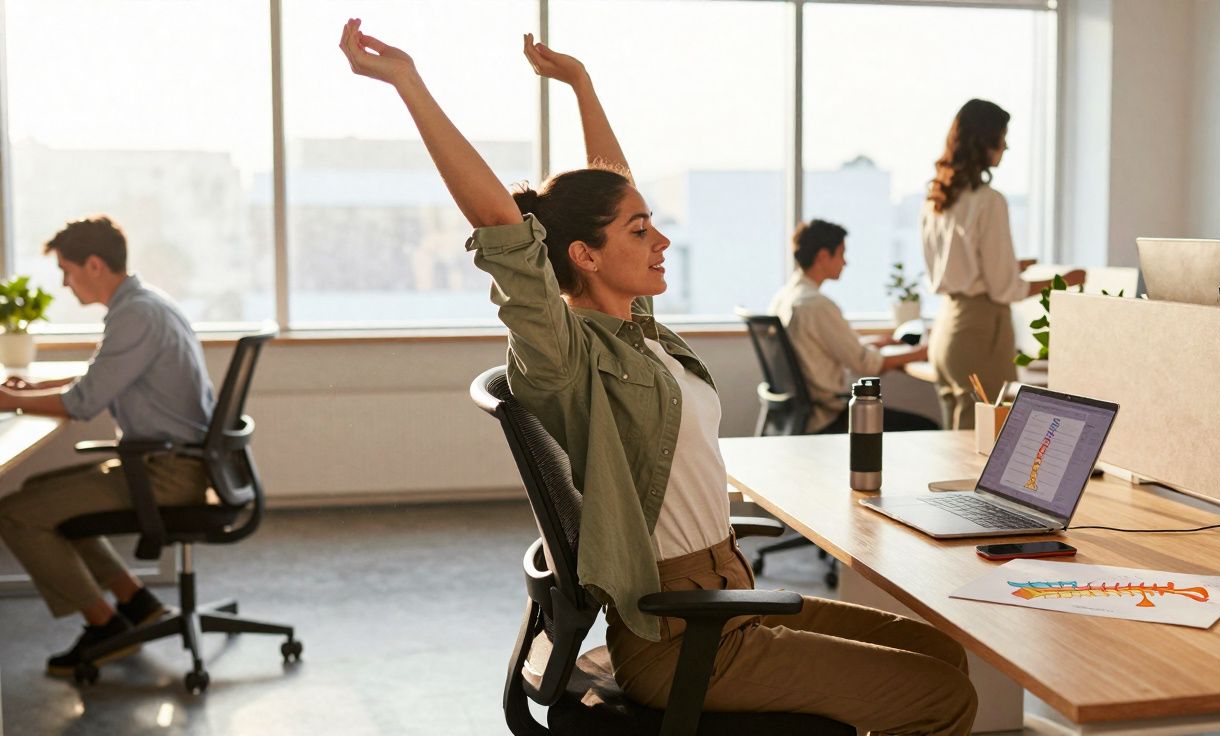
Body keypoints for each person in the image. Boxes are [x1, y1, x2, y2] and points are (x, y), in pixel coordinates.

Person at [340, 19, 976, 733]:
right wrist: (409, 85)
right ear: (583, 256)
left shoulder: (638, 331)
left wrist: (582, 85)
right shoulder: (567, 356)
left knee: (942, 655)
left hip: (723, 598)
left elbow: (615, 190)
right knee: (941, 697)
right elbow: (500, 226)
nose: (662, 239)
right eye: (640, 232)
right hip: (679, 638)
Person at [0, 216, 214, 677]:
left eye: (67, 270)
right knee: (40, 488)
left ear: (94, 265)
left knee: (15, 512)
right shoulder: (144, 303)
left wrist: (9, 398)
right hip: (175, 462)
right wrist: (28, 389)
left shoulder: (134, 314)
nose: (64, 283)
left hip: (166, 474)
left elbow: (84, 401)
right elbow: (99, 379)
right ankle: (134, 600)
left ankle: (106, 625)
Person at [920, 99, 1085, 430]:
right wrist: (1063, 280)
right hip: (981, 332)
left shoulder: (937, 198)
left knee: (955, 445)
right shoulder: (988, 200)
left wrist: (1012, 265)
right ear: (986, 140)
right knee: (987, 440)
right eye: (1002, 136)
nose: (1006, 146)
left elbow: (958, 265)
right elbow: (1003, 288)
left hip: (947, 330)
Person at [770, 218, 935, 434]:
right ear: (822, 256)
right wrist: (924, 352)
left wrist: (872, 343)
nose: (845, 262)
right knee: (928, 428)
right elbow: (865, 365)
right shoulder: (817, 306)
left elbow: (819, 348)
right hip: (826, 417)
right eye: (841, 254)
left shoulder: (786, 297)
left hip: (797, 415)